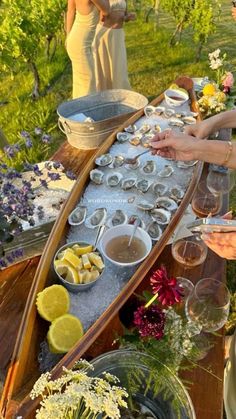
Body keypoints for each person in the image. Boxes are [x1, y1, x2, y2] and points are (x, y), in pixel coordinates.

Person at [66, 0, 110, 99]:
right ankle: (88, 110)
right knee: (88, 81)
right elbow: (106, 10)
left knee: (80, 82)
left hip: (74, 40)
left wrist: (68, 37)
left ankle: (79, 110)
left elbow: (70, 12)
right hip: (81, 45)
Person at [93, 0, 136, 91]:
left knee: (119, 65)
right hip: (104, 33)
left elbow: (124, 16)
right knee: (104, 65)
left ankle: (120, 92)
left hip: (118, 34)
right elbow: (98, 14)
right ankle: (103, 92)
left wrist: (128, 17)